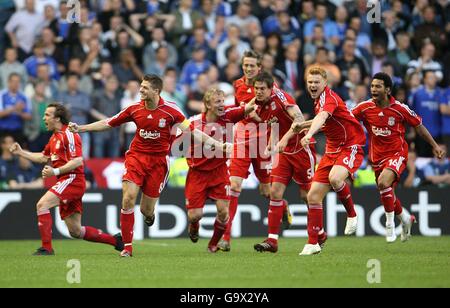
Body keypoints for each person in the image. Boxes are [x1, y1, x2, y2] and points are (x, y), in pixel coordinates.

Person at [69, 74, 231, 257]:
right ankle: (127, 247)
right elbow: (108, 122)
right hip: (136, 158)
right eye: (141, 86)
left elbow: (194, 132)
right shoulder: (133, 109)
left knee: (146, 209)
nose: (141, 90)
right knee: (128, 198)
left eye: (145, 88)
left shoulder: (172, 111)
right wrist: (82, 128)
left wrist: (218, 146)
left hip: (159, 163)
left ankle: (149, 215)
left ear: (156, 91)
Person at [9, 103, 123, 255]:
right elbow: (44, 157)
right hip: (67, 181)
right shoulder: (55, 137)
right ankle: (116, 241)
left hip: (72, 180)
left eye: (47, 115)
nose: (44, 118)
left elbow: (77, 161)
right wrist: (21, 153)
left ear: (57, 118)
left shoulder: (69, 134)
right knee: (76, 231)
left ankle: (47, 248)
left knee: (42, 205)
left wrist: (55, 170)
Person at [352, 73, 445, 242]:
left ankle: (390, 226)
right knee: (388, 192)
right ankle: (405, 219)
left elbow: (419, 126)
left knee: (383, 183)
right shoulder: (364, 107)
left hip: (397, 153)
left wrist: (435, 145)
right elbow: (345, 119)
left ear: (387, 89)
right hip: (377, 157)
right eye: (372, 86)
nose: (373, 89)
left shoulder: (400, 109)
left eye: (378, 86)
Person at [218, 50, 289, 252]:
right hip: (242, 139)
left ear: (260, 67)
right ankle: (226, 238)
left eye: (252, 66)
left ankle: (281, 205)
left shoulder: (269, 88)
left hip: (263, 141)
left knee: (266, 190)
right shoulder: (238, 85)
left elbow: (276, 114)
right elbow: (238, 111)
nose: (248, 69)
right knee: (234, 185)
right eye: (245, 65)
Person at [294, 67, 366, 255]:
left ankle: (352, 215)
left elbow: (323, 117)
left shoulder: (329, 98)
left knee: (335, 178)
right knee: (313, 196)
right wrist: (303, 125)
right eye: (310, 82)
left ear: (325, 83)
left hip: (350, 146)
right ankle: (313, 243)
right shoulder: (318, 101)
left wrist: (308, 133)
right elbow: (323, 119)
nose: (313, 85)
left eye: (316, 82)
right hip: (332, 150)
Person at [250, 72, 316, 253]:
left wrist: (284, 140)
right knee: (275, 192)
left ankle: (317, 235)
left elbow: (300, 119)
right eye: (256, 88)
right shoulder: (258, 105)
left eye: (263, 89)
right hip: (283, 153)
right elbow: (274, 123)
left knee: (308, 196)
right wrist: (272, 144)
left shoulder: (281, 97)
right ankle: (272, 240)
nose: (259, 92)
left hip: (301, 148)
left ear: (272, 89)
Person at [183, 88, 256, 252]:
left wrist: (259, 97)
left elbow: (248, 108)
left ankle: (213, 244)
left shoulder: (229, 116)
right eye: (218, 102)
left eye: (223, 101)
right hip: (198, 173)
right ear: (208, 104)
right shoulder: (194, 122)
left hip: (220, 172)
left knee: (223, 212)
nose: (222, 105)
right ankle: (194, 226)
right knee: (195, 215)